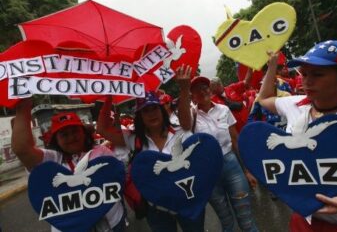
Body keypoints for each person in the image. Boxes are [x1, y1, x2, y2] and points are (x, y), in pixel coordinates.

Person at [97, 66, 205, 232]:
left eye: (154, 108)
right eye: (145, 111)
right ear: (139, 116)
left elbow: (186, 119)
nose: (151, 113)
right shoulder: (134, 139)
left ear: (161, 110)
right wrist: (110, 94)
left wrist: (184, 88)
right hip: (157, 209)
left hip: (187, 200)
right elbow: (102, 130)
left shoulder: (180, 131)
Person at [258, 40, 337, 231]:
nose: (306, 81)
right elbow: (264, 99)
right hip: (302, 222)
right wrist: (272, 67)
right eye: (304, 73)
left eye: (318, 74)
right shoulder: (296, 104)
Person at [11, 99, 126, 232]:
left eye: (75, 131)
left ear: (84, 133)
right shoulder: (51, 160)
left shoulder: (101, 151)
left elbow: (118, 178)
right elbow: (22, 150)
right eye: (64, 134)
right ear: (56, 140)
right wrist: (23, 106)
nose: (71, 137)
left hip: (112, 224)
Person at [178, 70, 259, 232]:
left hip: (231, 165)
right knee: (227, 222)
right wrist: (183, 88)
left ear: (210, 89)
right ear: (192, 95)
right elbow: (185, 125)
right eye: (197, 89)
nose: (203, 91)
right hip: (208, 173)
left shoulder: (223, 110)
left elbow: (235, 140)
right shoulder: (191, 115)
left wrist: (246, 170)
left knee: (246, 220)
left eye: (205, 87)